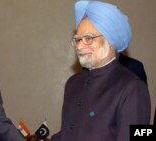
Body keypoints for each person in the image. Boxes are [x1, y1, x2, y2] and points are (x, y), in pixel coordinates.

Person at [51, 1, 151, 141]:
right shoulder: (73, 83)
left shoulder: (133, 88)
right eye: (78, 39)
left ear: (110, 41)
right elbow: (68, 134)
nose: (80, 46)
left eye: (88, 38)